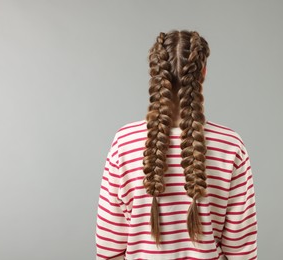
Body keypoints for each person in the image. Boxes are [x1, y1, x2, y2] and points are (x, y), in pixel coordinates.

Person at [95, 30, 258, 260]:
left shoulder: (124, 143)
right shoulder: (231, 146)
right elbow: (241, 250)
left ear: (156, 75)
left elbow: (109, 248)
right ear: (202, 73)